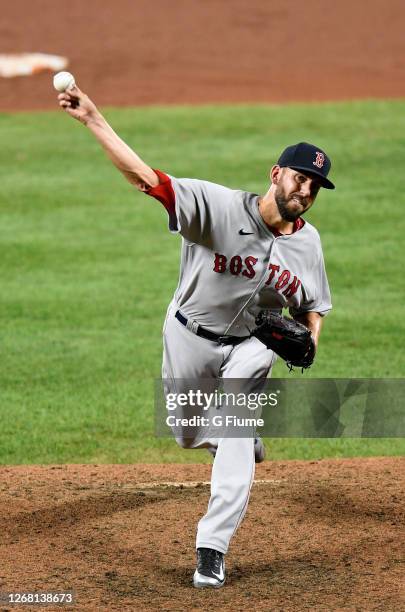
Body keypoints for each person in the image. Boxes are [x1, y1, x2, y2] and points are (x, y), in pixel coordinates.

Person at [57, 85, 334, 588]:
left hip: (253, 347)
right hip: (189, 335)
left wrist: (311, 340)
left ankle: (212, 547)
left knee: (232, 425)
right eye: (300, 179)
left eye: (315, 187)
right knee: (185, 431)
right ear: (276, 175)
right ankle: (236, 436)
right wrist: (93, 118)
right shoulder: (218, 208)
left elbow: (313, 306)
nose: (306, 192)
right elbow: (147, 180)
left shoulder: (309, 244)